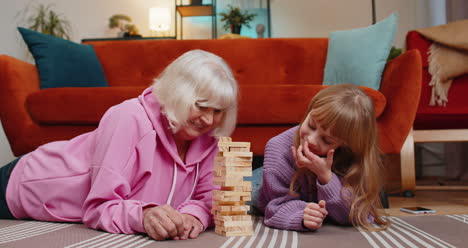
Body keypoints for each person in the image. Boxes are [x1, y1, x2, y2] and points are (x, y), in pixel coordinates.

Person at [0, 49, 238, 241]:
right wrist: (142, 215)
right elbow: (98, 208)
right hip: (25, 184)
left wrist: (193, 215)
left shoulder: (208, 137)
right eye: (201, 106)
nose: (209, 119)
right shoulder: (128, 118)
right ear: (179, 94)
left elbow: (210, 198)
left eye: (217, 111)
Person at [256, 84, 388, 232]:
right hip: (266, 182)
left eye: (327, 140)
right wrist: (302, 215)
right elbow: (274, 207)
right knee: (244, 193)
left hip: (320, 188)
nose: (311, 140)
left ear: (346, 144)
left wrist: (326, 177)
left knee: (372, 196)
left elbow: (360, 215)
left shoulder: (353, 156)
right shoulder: (278, 148)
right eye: (311, 125)